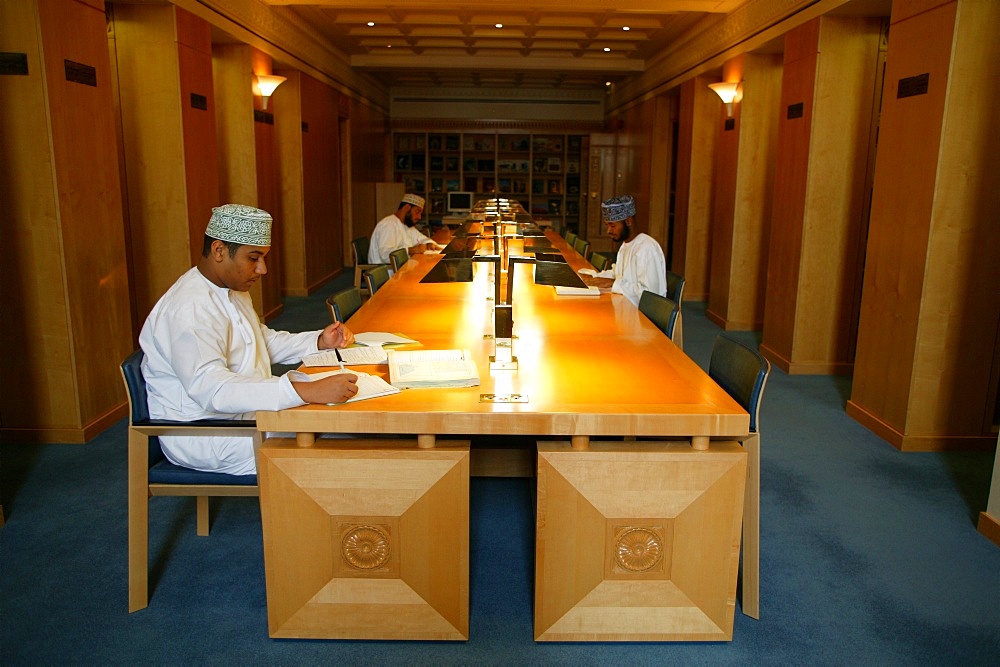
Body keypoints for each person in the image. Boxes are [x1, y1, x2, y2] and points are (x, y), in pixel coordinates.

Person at [139, 204, 359, 475]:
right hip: (207, 432)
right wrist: (304, 391)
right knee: (343, 444)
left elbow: (260, 342)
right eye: (253, 258)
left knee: (345, 425)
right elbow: (214, 391)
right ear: (219, 251)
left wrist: (318, 342)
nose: (262, 269)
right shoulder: (189, 308)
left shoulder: (231, 289)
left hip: (245, 415)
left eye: (263, 258)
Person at [580, 194, 667, 307]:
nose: (608, 231)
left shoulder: (647, 248)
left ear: (628, 221)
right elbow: (620, 275)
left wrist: (612, 283)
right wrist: (594, 278)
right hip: (625, 306)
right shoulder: (625, 245)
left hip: (642, 317)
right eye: (607, 225)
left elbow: (650, 296)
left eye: (612, 226)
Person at [368, 194, 444, 265]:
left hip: (403, 267)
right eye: (417, 212)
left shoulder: (406, 225)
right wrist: (411, 250)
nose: (419, 217)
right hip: (387, 273)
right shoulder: (388, 225)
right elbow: (386, 255)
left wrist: (429, 244)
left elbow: (421, 239)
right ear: (407, 208)